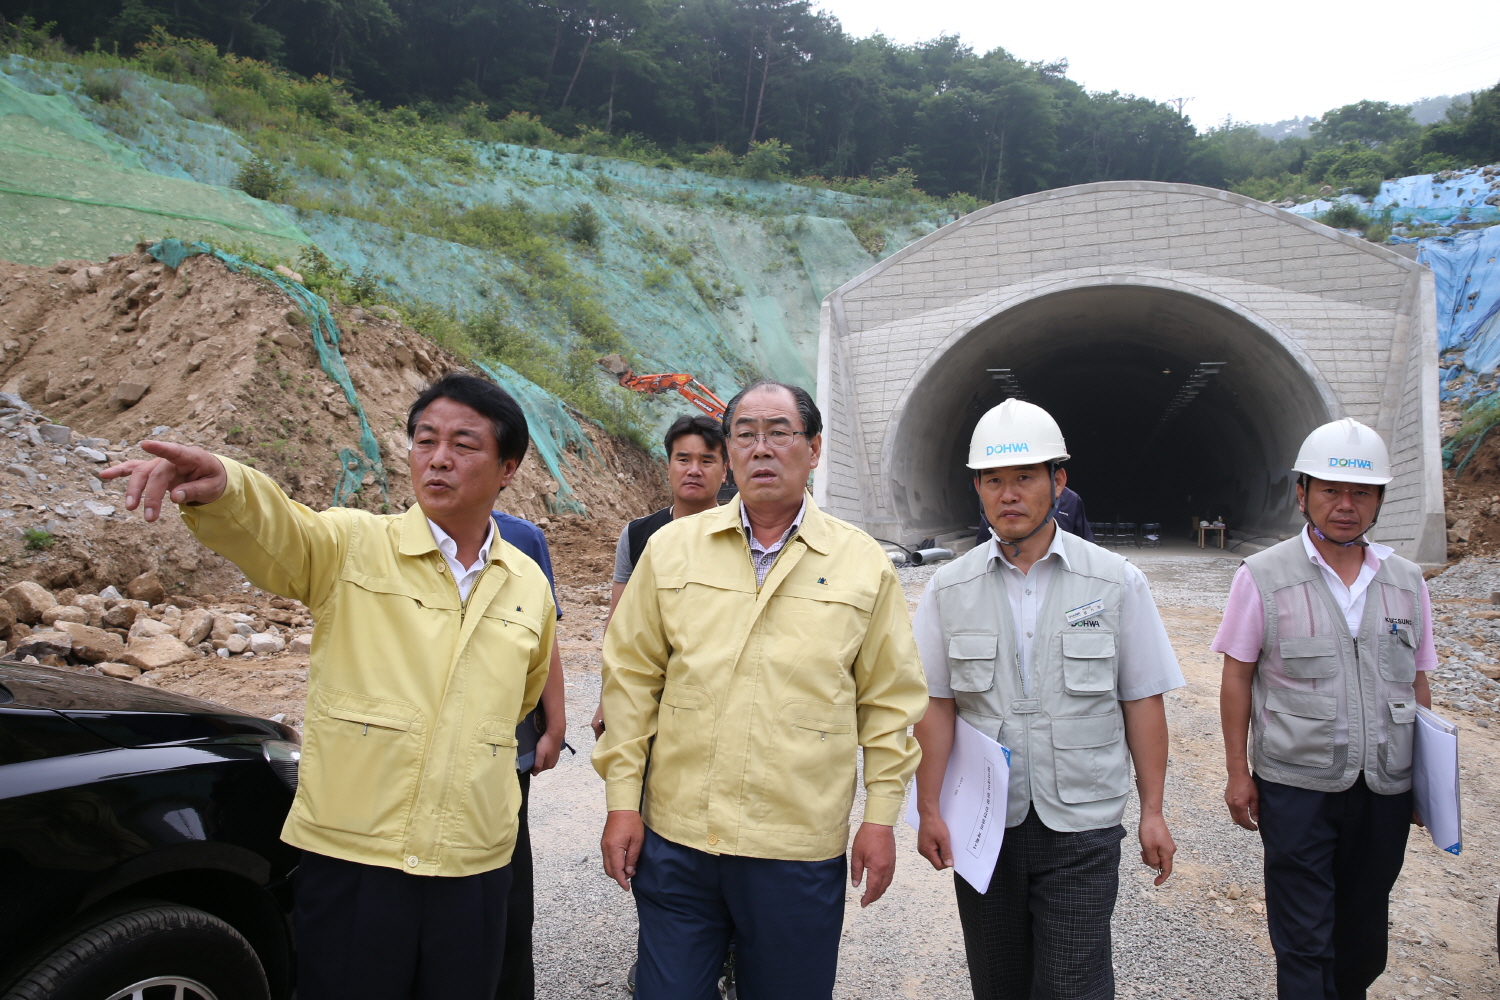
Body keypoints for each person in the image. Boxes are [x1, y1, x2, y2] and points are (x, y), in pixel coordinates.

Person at [102, 373, 556, 1000]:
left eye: (463, 444)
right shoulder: (352, 544)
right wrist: (227, 488)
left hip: (473, 861)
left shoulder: (527, 582)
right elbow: (281, 530)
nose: (439, 458)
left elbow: (522, 697)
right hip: (356, 857)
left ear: (507, 468)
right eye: (425, 440)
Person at [593, 380, 928, 1000]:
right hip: (680, 840)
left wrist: (881, 819)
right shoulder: (671, 550)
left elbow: (888, 704)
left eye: (780, 432)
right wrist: (621, 801)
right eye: (745, 434)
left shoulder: (861, 563)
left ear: (815, 448)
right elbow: (632, 681)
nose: (761, 448)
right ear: (729, 449)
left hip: (795, 847)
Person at [911, 398, 1182, 1000]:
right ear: (977, 488)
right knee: (998, 982)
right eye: (993, 480)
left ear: (1059, 482)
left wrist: (1153, 810)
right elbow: (936, 706)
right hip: (986, 826)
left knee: (1073, 984)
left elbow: (1142, 700)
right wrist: (929, 806)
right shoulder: (948, 590)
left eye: (1025, 477)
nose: (1009, 494)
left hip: (1082, 823)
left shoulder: (1115, 582)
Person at [1212, 418, 1436, 1000]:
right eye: (1332, 490)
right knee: (1304, 936)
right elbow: (1237, 677)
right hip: (1297, 786)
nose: (1346, 505)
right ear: (1302, 494)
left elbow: (1417, 682)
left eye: (1362, 492)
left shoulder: (1407, 582)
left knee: (1363, 933)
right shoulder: (1264, 576)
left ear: (1381, 500)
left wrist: (1428, 783)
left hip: (1384, 789)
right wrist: (1239, 773)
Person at [591, 413, 728, 738]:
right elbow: (619, 623)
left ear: (725, 470)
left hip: (717, 697)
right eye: (683, 459)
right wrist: (607, 696)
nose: (694, 469)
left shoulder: (741, 534)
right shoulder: (638, 535)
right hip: (648, 692)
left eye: (707, 460)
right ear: (668, 466)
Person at [490, 510, 567, 1000]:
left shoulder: (522, 538)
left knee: (509, 899)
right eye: (426, 443)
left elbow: (546, 637)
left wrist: (554, 722)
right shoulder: (391, 540)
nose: (440, 461)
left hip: (505, 754)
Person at [977, 484, 1093, 546]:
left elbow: (1085, 543)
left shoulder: (1070, 500)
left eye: (1024, 477)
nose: (1009, 497)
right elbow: (983, 544)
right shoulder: (997, 503)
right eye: (995, 480)